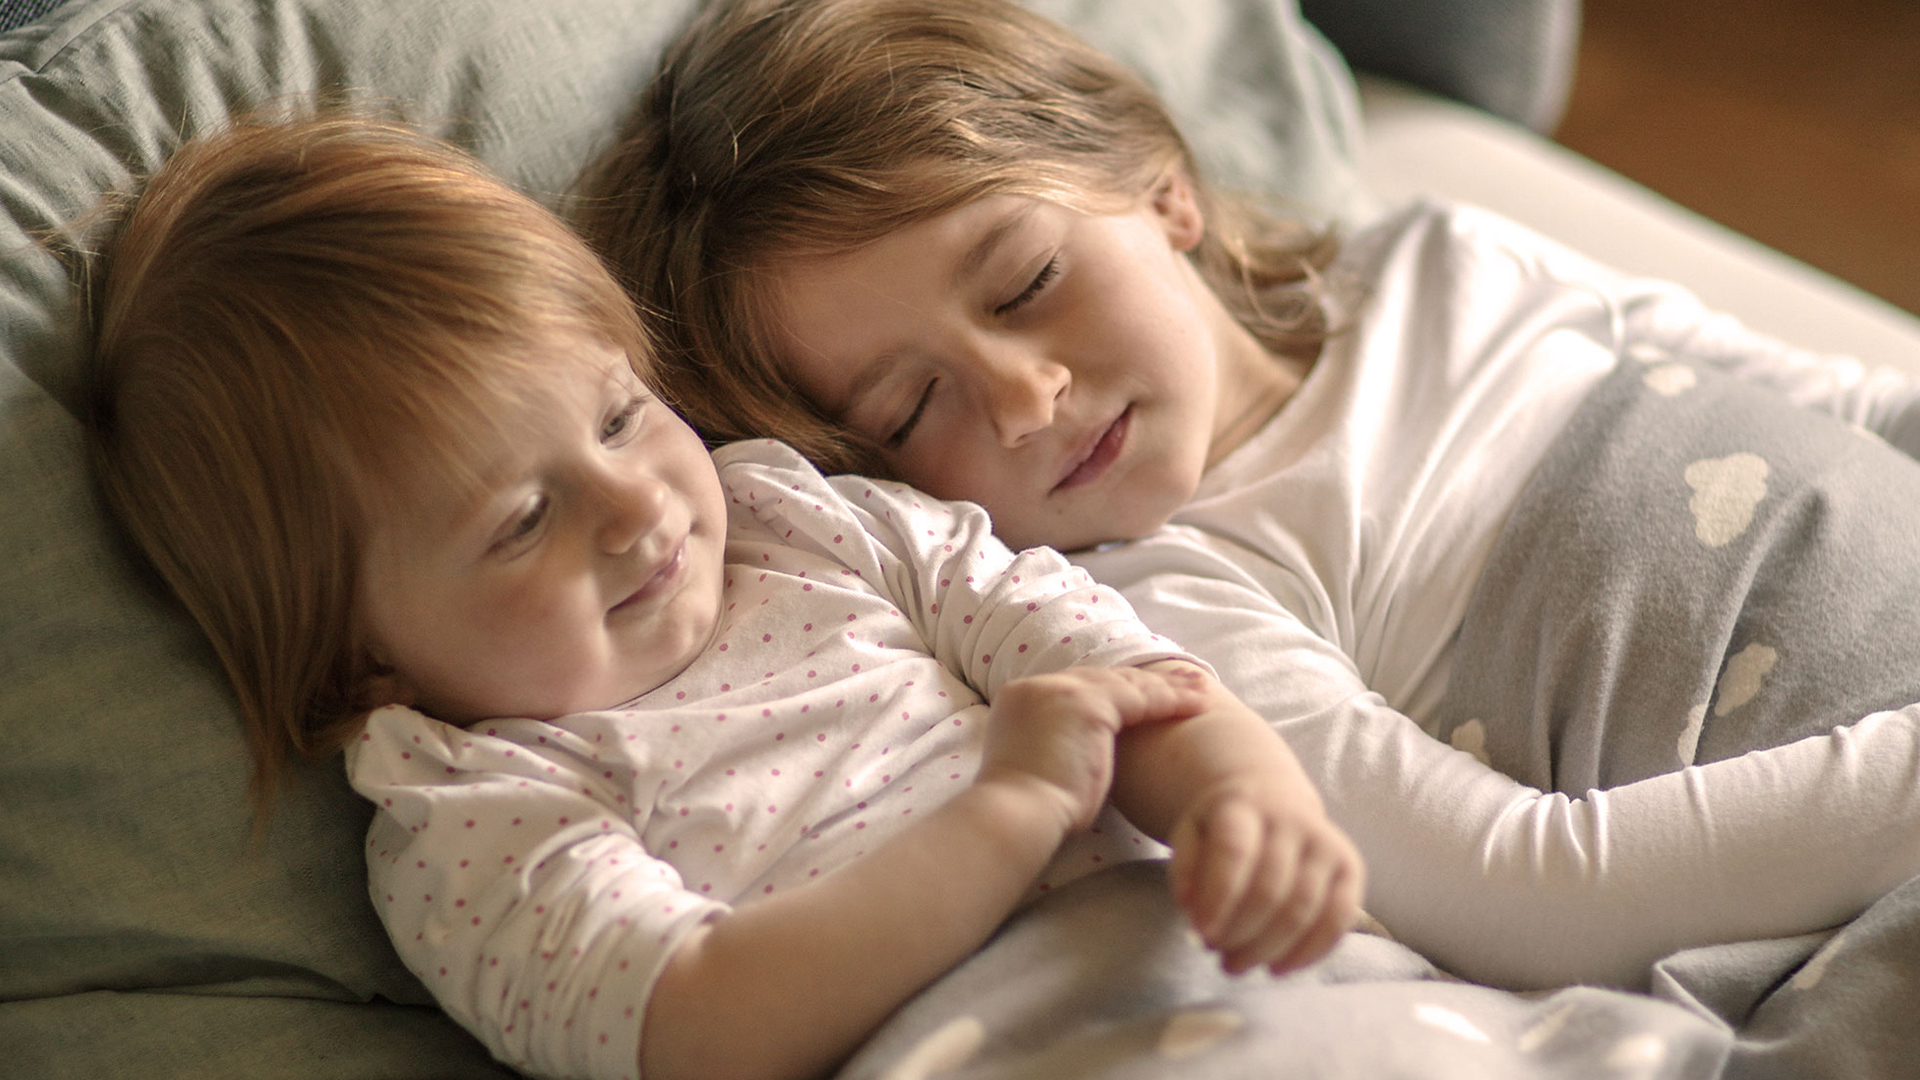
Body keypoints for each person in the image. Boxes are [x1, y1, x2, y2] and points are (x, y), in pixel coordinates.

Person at [574, 0, 1920, 992]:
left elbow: (1863, 407)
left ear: (1162, 193)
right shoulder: (1170, 601)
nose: (1025, 397)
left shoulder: (1442, 262)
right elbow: (1533, 893)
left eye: (1026, 282)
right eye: (910, 408)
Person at [82, 114, 1362, 1080]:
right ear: (359, 667)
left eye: (625, 414)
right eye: (522, 519)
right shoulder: (476, 816)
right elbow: (702, 1023)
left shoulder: (802, 519)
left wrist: (1249, 799)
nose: (638, 506)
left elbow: (1116, 670)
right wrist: (1012, 808)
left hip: (1251, 969)